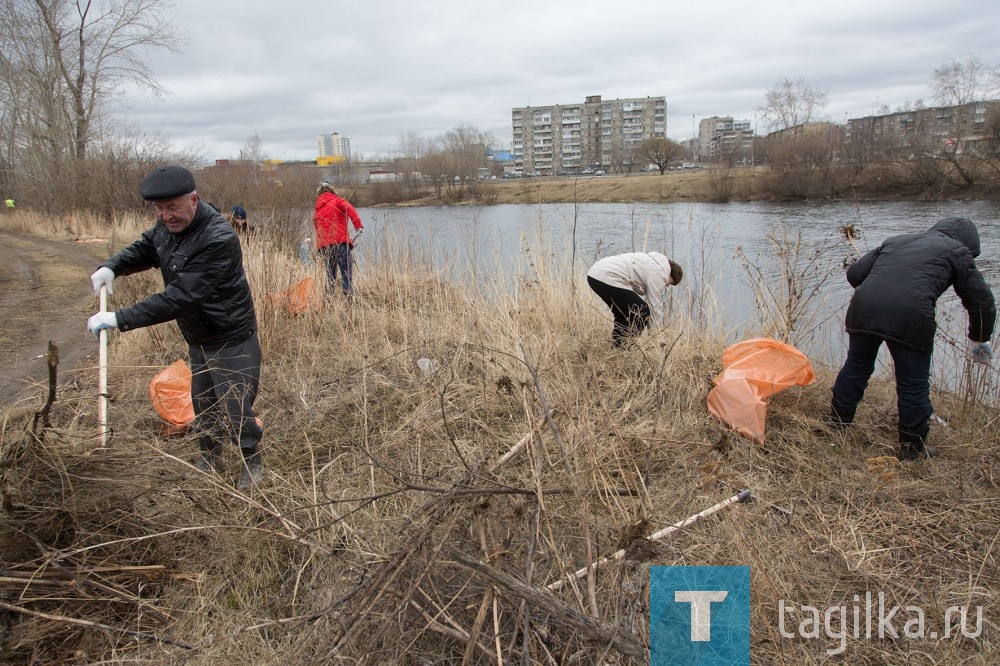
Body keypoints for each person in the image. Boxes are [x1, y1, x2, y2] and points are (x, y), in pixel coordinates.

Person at [86, 165, 265, 489]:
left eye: (172, 207)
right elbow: (146, 247)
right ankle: (210, 457)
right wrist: (112, 267)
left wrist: (119, 318)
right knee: (203, 403)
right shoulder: (168, 226)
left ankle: (252, 462)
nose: (166, 216)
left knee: (237, 405)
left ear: (193, 200)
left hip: (231, 337)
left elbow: (181, 297)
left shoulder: (217, 239)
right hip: (198, 337)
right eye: (159, 209)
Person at [829, 217, 996, 461]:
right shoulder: (959, 251)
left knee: (856, 366)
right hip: (912, 315)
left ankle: (837, 423)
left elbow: (855, 274)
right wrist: (979, 340)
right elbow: (982, 304)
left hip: (864, 307)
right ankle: (912, 447)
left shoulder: (897, 240)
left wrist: (879, 291)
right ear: (969, 244)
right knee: (912, 382)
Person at [586, 251, 683, 347]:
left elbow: (638, 286)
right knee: (642, 311)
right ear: (670, 275)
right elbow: (654, 307)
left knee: (624, 313)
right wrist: (655, 336)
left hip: (595, 275)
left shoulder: (652, 262)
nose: (666, 285)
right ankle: (626, 346)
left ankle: (618, 347)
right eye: (670, 283)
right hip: (607, 277)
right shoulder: (660, 274)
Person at [313, 182, 363, 297]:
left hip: (325, 248)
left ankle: (329, 302)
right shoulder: (337, 201)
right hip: (340, 244)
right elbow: (350, 209)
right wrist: (358, 226)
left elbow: (319, 231)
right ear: (332, 191)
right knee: (346, 274)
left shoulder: (317, 211)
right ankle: (349, 302)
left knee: (330, 277)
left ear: (319, 195)